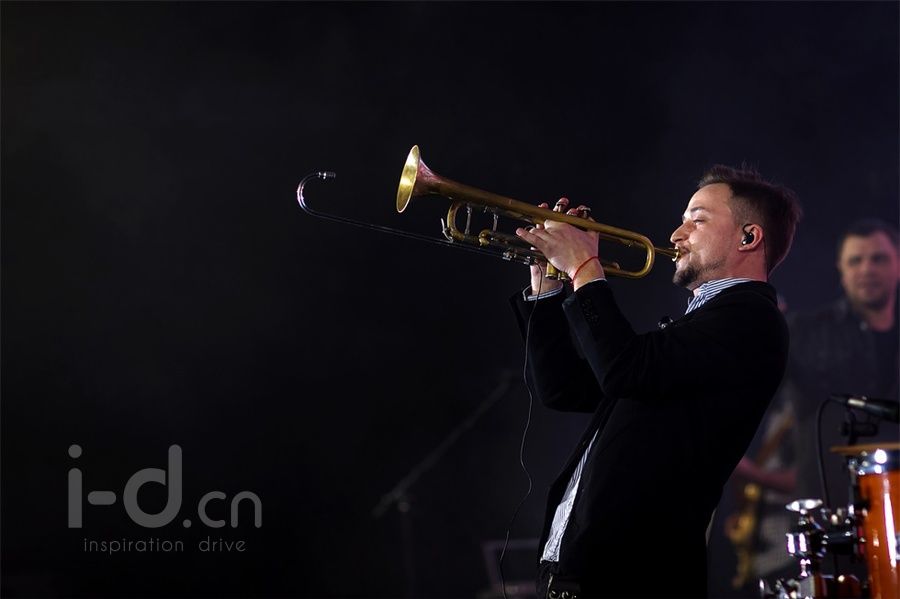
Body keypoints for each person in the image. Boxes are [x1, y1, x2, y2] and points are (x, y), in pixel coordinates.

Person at [509, 165, 801, 598]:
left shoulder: (752, 319)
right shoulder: (697, 327)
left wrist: (584, 266)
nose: (677, 234)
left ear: (748, 237)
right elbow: (562, 388)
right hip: (577, 574)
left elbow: (624, 369)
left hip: (635, 579)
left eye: (697, 220)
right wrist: (547, 289)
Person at [726, 218, 899, 588]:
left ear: (897, 263)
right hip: (828, 522)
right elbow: (740, 388)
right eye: (856, 260)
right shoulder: (803, 332)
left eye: (879, 258)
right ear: (841, 269)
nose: (867, 269)